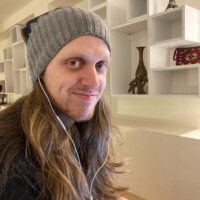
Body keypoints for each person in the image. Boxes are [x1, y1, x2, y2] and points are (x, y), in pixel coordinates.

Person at [0, 6, 128, 200]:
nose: (94, 82)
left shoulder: (87, 124)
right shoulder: (11, 158)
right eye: (74, 63)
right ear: (41, 70)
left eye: (100, 65)